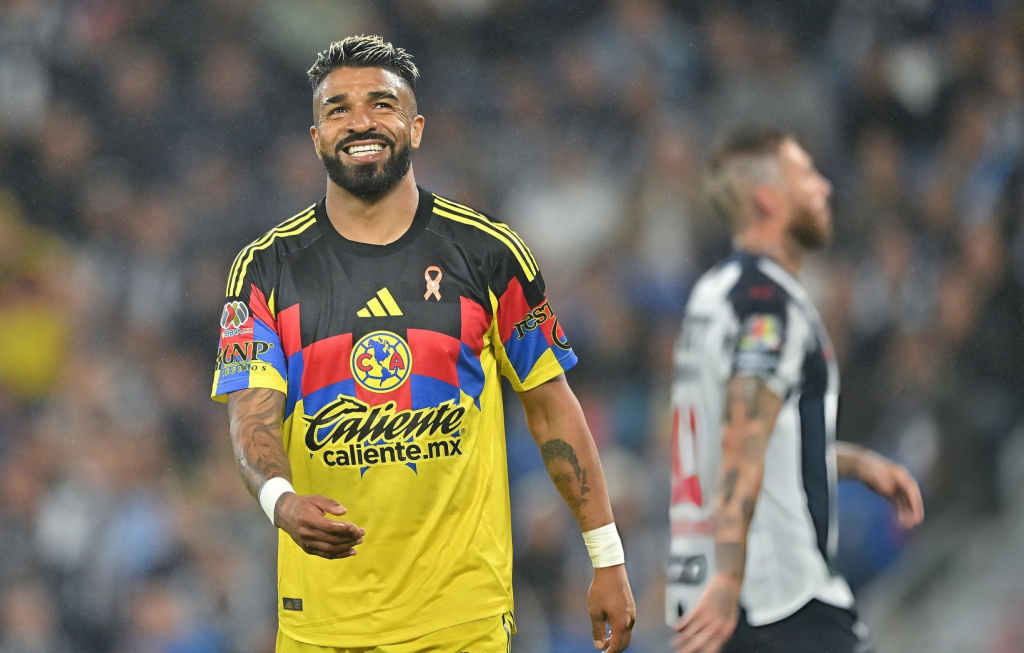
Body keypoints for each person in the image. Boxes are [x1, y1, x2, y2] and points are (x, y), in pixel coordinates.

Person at [210, 35, 635, 653]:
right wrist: (281, 501)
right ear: (315, 137)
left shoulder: (489, 255)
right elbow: (252, 417)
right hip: (322, 625)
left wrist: (608, 558)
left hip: (461, 619)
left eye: (382, 104)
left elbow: (551, 408)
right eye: (338, 109)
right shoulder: (266, 270)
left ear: (416, 127)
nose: (360, 121)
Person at [666, 126, 925, 653]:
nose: (824, 187)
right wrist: (733, 581)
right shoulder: (768, 304)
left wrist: (854, 464)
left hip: (706, 583)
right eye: (805, 175)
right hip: (775, 597)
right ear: (768, 198)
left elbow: (748, 438)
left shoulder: (713, 295)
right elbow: (745, 433)